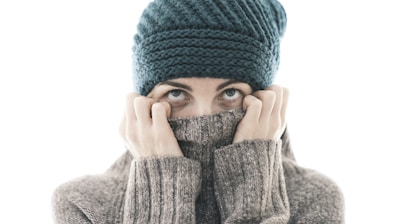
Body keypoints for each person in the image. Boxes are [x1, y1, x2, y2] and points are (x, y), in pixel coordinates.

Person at [52, 0, 345, 223]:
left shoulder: (314, 198)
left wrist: (253, 177)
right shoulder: (84, 203)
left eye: (230, 93)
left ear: (266, 101)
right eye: (176, 94)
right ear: (143, 104)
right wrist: (161, 183)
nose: (203, 115)